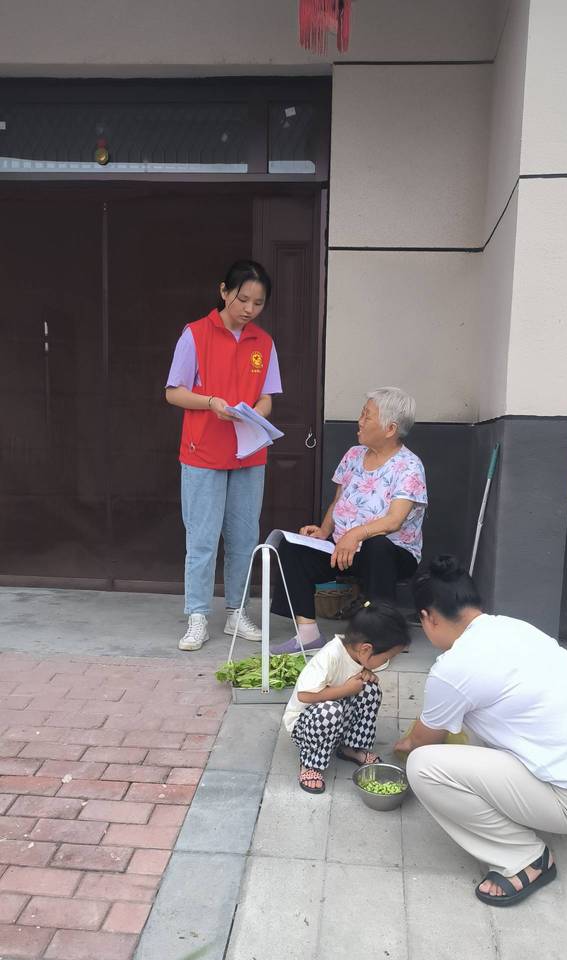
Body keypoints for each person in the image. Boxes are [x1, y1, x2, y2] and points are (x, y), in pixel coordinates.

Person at [396, 555, 567, 907]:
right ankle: (530, 811)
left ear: (428, 617)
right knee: (474, 719)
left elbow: (422, 741)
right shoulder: (513, 627)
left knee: (423, 766)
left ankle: (525, 859)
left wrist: (403, 746)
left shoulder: (453, 668)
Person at [165, 260, 282, 651]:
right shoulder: (195, 334)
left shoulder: (263, 342)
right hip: (203, 452)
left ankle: (237, 612)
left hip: (248, 453)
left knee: (244, 538)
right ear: (223, 291)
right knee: (202, 539)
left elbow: (267, 396)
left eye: (258, 303)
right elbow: (173, 392)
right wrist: (211, 401)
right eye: (242, 299)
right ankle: (197, 617)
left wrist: (257, 413)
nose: (249, 309)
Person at [271, 387, 427, 654]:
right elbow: (338, 501)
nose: (360, 421)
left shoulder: (409, 466)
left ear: (390, 429)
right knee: (293, 546)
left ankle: (380, 638)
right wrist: (323, 532)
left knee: (377, 546)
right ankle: (308, 634)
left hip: (392, 552)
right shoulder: (354, 455)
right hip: (344, 546)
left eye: (367, 416)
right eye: (362, 414)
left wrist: (355, 535)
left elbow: (394, 521)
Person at [284, 601, 410, 794]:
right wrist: (346, 690)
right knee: (330, 710)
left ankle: (351, 747)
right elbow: (305, 695)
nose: (387, 662)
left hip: (337, 718)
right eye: (386, 658)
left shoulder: (358, 654)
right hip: (306, 725)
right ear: (366, 649)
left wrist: (366, 672)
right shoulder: (330, 655)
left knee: (370, 689)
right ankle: (310, 763)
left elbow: (355, 683)